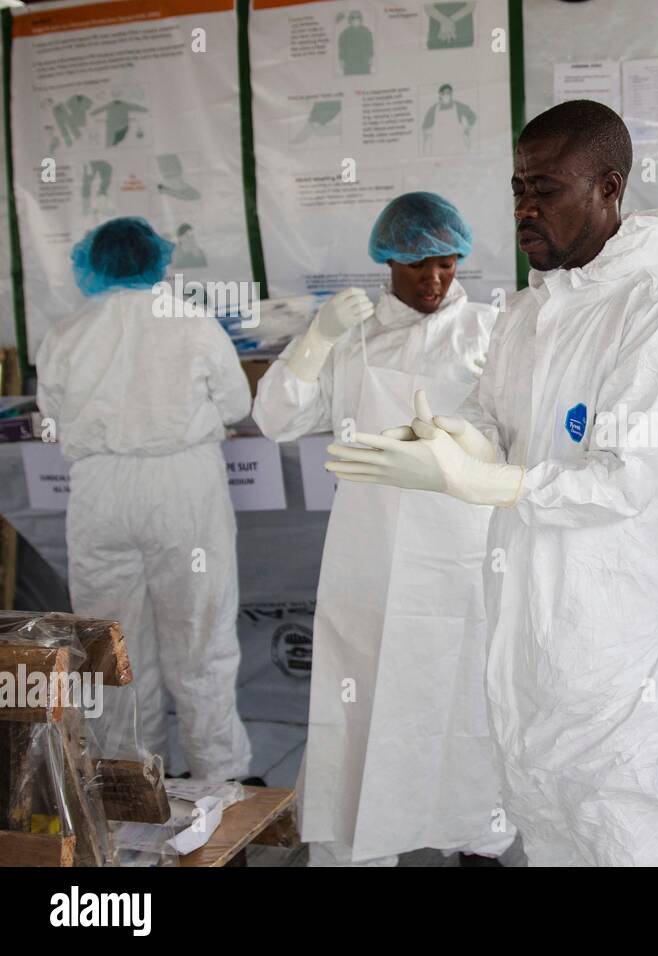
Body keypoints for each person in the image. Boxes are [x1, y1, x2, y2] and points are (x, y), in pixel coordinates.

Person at [326, 100, 658, 866]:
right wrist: (447, 438)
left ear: (608, 188)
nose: (525, 209)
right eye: (516, 189)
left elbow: (627, 480)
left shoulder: (654, 313)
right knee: (547, 822)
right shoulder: (530, 312)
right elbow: (492, 418)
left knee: (625, 829)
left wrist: (485, 483)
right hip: (523, 627)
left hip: (605, 635)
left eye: (547, 189)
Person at [253, 192, 510, 867]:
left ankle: (476, 834)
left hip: (464, 544)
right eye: (418, 266)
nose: (433, 281)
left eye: (448, 266)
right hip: (371, 549)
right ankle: (357, 842)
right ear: (387, 263)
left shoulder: (492, 331)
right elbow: (276, 420)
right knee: (364, 692)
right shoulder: (356, 339)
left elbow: (524, 436)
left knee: (467, 692)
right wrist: (314, 342)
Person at [36, 216, 252, 780]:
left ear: (92, 264)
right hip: (182, 486)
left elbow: (53, 418)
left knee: (114, 647)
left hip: (99, 491)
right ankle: (219, 783)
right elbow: (234, 405)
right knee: (199, 635)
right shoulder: (193, 321)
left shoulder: (66, 331)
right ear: (157, 260)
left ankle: (129, 788)